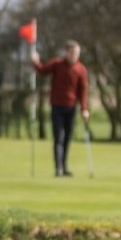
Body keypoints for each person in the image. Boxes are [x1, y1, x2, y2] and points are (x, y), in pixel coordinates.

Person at [31, 40, 89, 178]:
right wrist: (35, 61)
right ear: (67, 52)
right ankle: (58, 168)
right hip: (57, 106)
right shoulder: (57, 64)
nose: (75, 55)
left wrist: (84, 108)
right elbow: (42, 70)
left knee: (67, 138)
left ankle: (64, 166)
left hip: (71, 107)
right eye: (73, 52)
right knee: (59, 138)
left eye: (77, 53)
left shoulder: (81, 69)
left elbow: (83, 90)